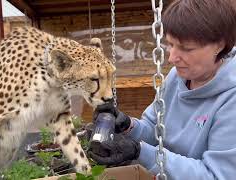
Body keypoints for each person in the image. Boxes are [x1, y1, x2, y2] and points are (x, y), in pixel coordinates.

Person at [87, 0, 236, 179]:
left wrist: (141, 152)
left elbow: (217, 175)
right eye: (171, 45)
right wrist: (128, 126)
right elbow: (155, 130)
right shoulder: (177, 77)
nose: (172, 58)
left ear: (220, 45)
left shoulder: (230, 99)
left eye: (186, 48)